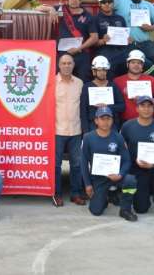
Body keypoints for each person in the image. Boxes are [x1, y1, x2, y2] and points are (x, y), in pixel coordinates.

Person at [80, 107, 137, 221]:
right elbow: (83, 162)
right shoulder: (88, 138)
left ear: (112, 120)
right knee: (96, 211)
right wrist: (88, 184)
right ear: (96, 120)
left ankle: (125, 209)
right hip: (98, 178)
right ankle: (106, 197)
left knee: (130, 180)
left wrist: (120, 175)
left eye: (108, 119)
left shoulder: (118, 137)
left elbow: (126, 160)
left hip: (116, 176)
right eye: (102, 119)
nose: (105, 122)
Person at [39, 0, 98, 82]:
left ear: (80, 0)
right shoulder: (60, 9)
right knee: (58, 81)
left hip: (81, 54)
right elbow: (38, 8)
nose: (74, 0)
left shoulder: (88, 16)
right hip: (62, 54)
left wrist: (79, 48)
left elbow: (94, 37)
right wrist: (51, 9)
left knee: (83, 82)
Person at [112, 0, 154, 75]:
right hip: (126, 44)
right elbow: (104, 4)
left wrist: (151, 27)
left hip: (145, 43)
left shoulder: (148, 5)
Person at [53, 54, 85, 207]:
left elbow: (83, 107)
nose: (66, 66)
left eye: (69, 63)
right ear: (59, 65)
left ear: (73, 65)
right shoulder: (51, 83)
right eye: (63, 63)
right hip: (56, 130)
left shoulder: (79, 83)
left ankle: (75, 194)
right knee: (56, 165)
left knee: (76, 164)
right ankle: (57, 194)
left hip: (76, 130)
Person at [114, 50, 154, 124]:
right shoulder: (117, 81)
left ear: (143, 65)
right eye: (133, 62)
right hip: (124, 122)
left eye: (139, 63)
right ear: (127, 64)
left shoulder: (151, 80)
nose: (136, 65)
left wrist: (145, 100)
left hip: (147, 121)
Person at [80, 56, 125, 133]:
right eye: (99, 70)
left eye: (104, 70)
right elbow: (83, 111)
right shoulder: (86, 87)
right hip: (93, 126)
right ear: (94, 71)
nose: (102, 73)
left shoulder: (113, 86)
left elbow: (122, 106)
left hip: (111, 125)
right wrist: (86, 131)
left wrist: (107, 106)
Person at [94, 0, 131, 78]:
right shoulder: (95, 19)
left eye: (109, 1)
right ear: (99, 4)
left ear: (113, 3)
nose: (107, 4)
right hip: (104, 52)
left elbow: (125, 38)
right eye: (103, 2)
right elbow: (92, 43)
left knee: (138, 62)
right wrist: (103, 41)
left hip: (121, 51)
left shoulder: (120, 18)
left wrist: (128, 40)